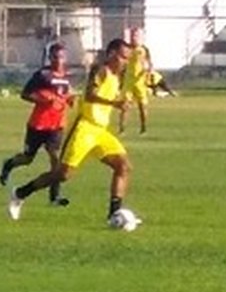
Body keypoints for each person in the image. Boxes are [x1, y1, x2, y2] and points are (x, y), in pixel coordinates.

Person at [8, 38, 134, 223]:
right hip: (85, 129)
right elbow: (90, 96)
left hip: (101, 132)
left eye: (128, 58)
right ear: (112, 54)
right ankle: (20, 193)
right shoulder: (100, 69)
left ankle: (113, 214)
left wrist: (123, 106)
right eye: (123, 57)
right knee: (62, 175)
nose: (125, 62)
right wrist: (115, 103)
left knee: (123, 166)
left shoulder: (117, 77)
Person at [0, 43, 73, 207]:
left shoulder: (67, 76)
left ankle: (55, 197)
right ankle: (8, 164)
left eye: (61, 57)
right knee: (27, 159)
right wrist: (42, 100)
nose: (58, 60)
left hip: (56, 125)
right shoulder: (42, 75)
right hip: (38, 124)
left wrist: (70, 100)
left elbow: (66, 95)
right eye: (55, 57)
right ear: (50, 57)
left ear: (65, 58)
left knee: (55, 160)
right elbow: (25, 94)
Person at [119, 27, 152, 135]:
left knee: (142, 106)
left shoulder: (144, 50)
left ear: (141, 37)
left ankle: (144, 129)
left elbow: (150, 64)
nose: (134, 37)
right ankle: (122, 129)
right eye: (132, 35)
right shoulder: (126, 49)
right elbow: (121, 63)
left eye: (136, 35)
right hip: (128, 81)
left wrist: (147, 73)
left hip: (140, 82)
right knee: (125, 105)